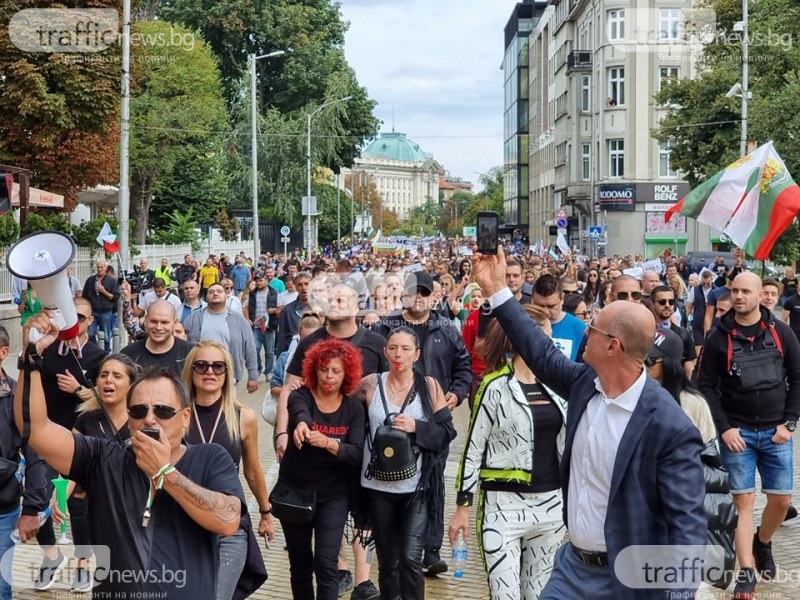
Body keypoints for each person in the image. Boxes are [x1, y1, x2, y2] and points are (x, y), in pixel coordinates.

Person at [472, 246, 706, 599]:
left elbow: (687, 520)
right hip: (571, 570)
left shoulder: (668, 426)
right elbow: (538, 351)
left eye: (592, 328)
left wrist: (680, 592)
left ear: (612, 346)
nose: (583, 330)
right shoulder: (585, 384)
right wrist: (497, 290)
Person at [15, 314, 266, 598]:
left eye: (163, 410)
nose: (150, 419)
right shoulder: (104, 457)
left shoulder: (210, 457)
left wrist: (165, 473)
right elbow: (35, 428)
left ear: (185, 418)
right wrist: (31, 357)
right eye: (138, 411)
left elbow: (228, 519)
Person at [450, 304, 567, 599]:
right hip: (503, 508)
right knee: (506, 595)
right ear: (526, 337)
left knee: (538, 593)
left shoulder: (558, 386)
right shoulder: (494, 386)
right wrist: (462, 506)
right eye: (546, 336)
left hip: (551, 506)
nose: (551, 343)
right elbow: (473, 449)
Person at [697, 271, 800, 599]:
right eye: (734, 291)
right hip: (737, 435)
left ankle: (763, 542)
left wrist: (790, 423)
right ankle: (746, 572)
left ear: (760, 295)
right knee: (743, 503)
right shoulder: (717, 338)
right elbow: (705, 386)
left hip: (777, 434)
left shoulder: (781, 333)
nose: (739, 296)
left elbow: (798, 378)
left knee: (781, 501)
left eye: (745, 291)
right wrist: (724, 428)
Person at [374, 271, 471, 575]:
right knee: (394, 480)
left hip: (432, 421)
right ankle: (397, 544)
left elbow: (463, 365)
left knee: (433, 483)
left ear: (433, 295)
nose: (419, 297)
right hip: (393, 424)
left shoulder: (446, 327)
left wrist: (456, 393)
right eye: (413, 291)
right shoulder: (387, 326)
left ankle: (430, 549)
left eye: (424, 292)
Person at [356, 327, 455, 600]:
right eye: (393, 348)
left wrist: (417, 427)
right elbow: (342, 413)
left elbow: (446, 434)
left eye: (406, 349)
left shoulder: (429, 386)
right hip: (377, 487)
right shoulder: (370, 384)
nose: (398, 354)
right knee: (389, 563)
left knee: (411, 559)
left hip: (416, 489)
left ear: (417, 354)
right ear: (385, 351)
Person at [183, 342, 275, 600]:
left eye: (218, 366)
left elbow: (253, 471)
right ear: (191, 371)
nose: (209, 371)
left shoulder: (244, 417)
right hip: (184, 522)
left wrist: (266, 513)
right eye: (201, 365)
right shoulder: (178, 416)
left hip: (229, 524)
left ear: (227, 373)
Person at [276, 339, 365, 600]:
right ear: (314, 369)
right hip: (295, 492)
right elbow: (299, 411)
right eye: (324, 369)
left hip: (333, 495)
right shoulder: (300, 395)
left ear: (347, 373)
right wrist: (302, 425)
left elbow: (356, 453)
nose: (329, 376)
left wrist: (328, 443)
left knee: (326, 564)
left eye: (336, 371)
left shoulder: (354, 409)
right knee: (301, 565)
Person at [52, 354, 138, 591]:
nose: (108, 380)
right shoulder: (86, 419)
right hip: (89, 500)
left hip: (128, 507)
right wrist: (59, 498)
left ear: (131, 384)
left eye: (117, 376)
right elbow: (69, 464)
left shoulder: (141, 420)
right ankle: (83, 566)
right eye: (103, 375)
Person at [0, 326, 49, 600]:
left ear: (3, 353)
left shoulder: (18, 395)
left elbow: (37, 453)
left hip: (3, 507)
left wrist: (31, 507)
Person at [184, 283, 259, 393]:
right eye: (211, 292)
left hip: (229, 376)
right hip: (200, 374)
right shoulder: (193, 318)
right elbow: (181, 343)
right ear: (206, 297)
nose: (215, 294)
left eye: (219, 291)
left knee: (227, 409)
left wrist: (253, 376)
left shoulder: (239, 320)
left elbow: (250, 349)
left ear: (226, 296)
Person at [121, 299, 194, 376]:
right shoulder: (129, 354)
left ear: (175, 323)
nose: (158, 327)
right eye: (154, 321)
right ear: (146, 320)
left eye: (164, 322)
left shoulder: (190, 354)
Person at [532, 274, 586, 361]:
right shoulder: (523, 325)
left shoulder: (579, 328)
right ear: (532, 300)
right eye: (540, 306)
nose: (546, 312)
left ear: (562, 299)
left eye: (551, 306)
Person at [650, 285, 697, 379]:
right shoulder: (645, 333)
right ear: (652, 304)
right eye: (662, 302)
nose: (667, 305)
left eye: (671, 302)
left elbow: (689, 364)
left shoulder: (684, 334)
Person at [244, 272, 279, 379]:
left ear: (266, 281)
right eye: (257, 281)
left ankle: (268, 371)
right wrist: (247, 319)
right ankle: (258, 368)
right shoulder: (252, 294)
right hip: (256, 327)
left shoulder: (274, 293)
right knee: (255, 349)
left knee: (269, 352)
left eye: (261, 280)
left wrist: (274, 311)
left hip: (269, 327)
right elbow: (245, 307)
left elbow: (281, 308)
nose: (258, 283)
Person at [82, 259, 120, 351]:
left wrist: (103, 291)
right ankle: (93, 350)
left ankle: (106, 351)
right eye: (98, 267)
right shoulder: (90, 280)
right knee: (91, 333)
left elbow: (115, 297)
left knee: (106, 334)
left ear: (106, 268)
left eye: (101, 267)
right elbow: (85, 295)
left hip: (105, 312)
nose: (99, 269)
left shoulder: (112, 280)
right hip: (93, 311)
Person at [277, 272, 312, 355]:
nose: (304, 288)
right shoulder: (288, 310)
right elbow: (282, 338)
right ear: (295, 287)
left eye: (306, 284)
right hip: (294, 355)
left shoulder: (321, 308)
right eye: (300, 285)